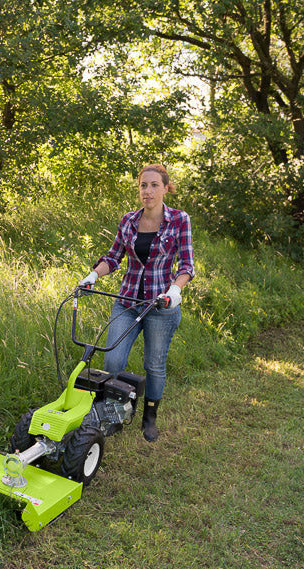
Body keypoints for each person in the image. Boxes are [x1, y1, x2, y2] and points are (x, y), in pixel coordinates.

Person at [79, 164, 194, 442]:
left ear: (166, 188)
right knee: (113, 358)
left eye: (154, 185)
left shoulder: (179, 219)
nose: (148, 191)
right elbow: (114, 257)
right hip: (127, 302)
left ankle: (149, 417)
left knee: (154, 364)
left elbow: (187, 265)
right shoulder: (128, 220)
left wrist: (175, 291)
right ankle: (115, 411)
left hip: (161, 305)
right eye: (144, 185)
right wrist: (93, 275)